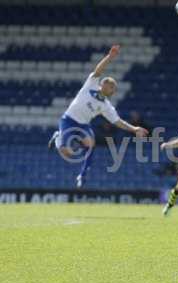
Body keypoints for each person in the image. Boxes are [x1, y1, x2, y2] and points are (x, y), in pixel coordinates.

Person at [48, 45, 148, 188]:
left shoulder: (106, 106)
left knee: (91, 145)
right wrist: (110, 57)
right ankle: (58, 138)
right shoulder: (92, 84)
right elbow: (98, 70)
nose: (114, 91)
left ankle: (81, 175)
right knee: (67, 153)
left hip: (83, 125)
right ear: (104, 85)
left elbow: (118, 121)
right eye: (112, 87)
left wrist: (134, 129)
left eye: (114, 89)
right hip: (68, 120)